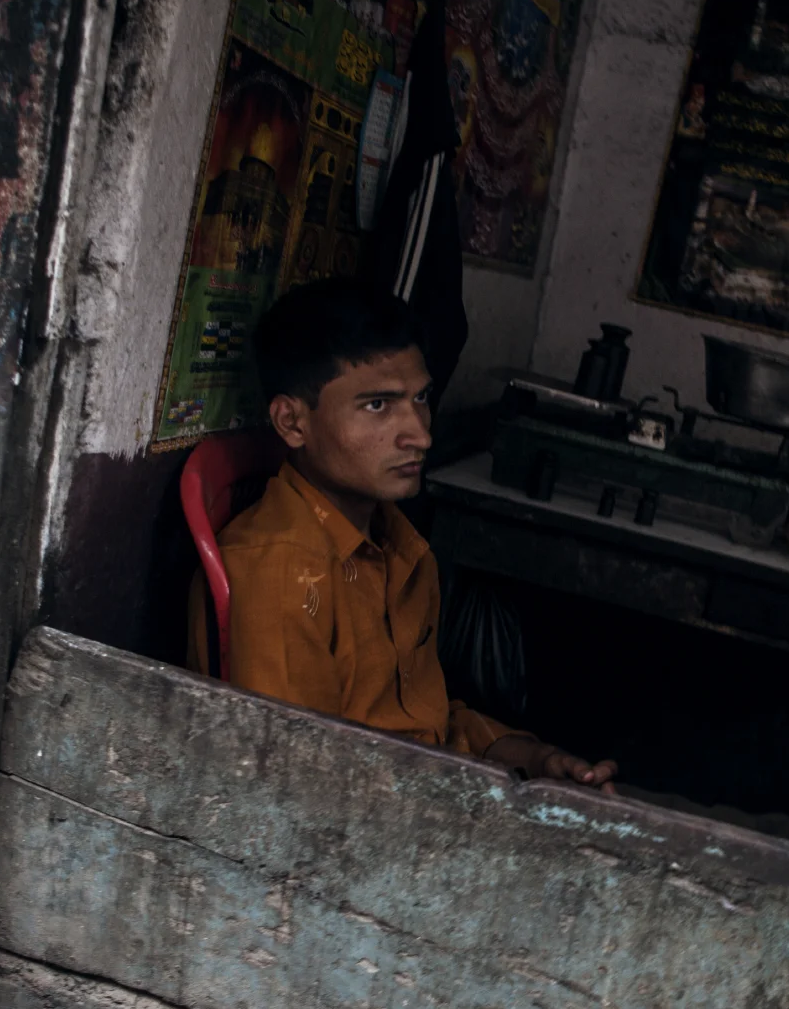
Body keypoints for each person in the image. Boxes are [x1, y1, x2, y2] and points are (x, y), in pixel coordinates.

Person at [213, 277, 616, 790]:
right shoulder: (285, 574)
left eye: (421, 398)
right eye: (378, 405)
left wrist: (534, 759)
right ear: (292, 422)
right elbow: (300, 783)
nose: (421, 434)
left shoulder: (399, 545)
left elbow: (425, 720)